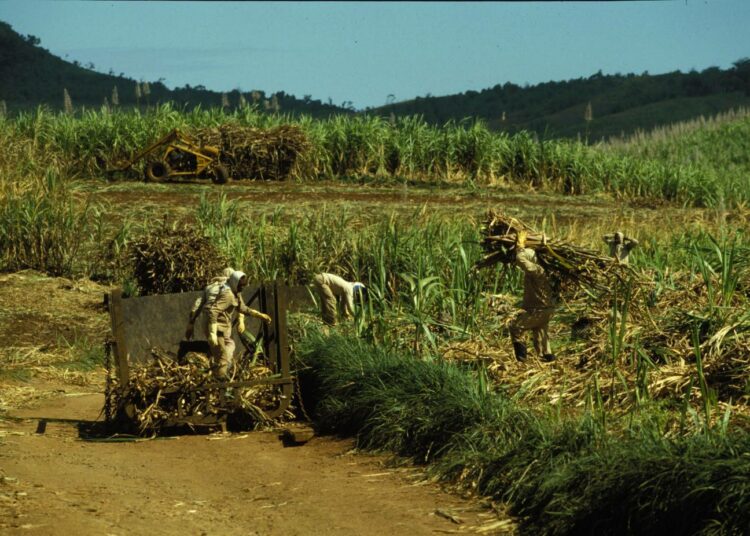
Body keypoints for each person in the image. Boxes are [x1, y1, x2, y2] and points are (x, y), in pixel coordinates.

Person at [207, 270, 272, 380]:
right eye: (240, 286)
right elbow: (213, 311)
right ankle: (220, 384)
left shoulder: (235, 292)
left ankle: (218, 375)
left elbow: (242, 308)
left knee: (230, 348)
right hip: (217, 328)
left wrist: (260, 315)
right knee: (224, 358)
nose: (242, 288)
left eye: (243, 286)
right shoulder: (228, 295)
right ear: (234, 282)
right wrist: (212, 333)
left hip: (223, 329)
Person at [509, 230, 556, 362]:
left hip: (539, 310)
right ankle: (549, 360)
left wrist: (520, 247)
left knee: (516, 326)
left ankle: (521, 359)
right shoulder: (544, 270)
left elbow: (521, 260)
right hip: (544, 309)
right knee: (541, 340)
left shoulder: (538, 270)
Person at [185, 267, 235, 341]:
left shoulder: (209, 287)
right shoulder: (231, 287)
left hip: (207, 319)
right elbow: (239, 304)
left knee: (213, 344)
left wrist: (191, 322)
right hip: (222, 319)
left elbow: (197, 304)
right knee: (225, 344)